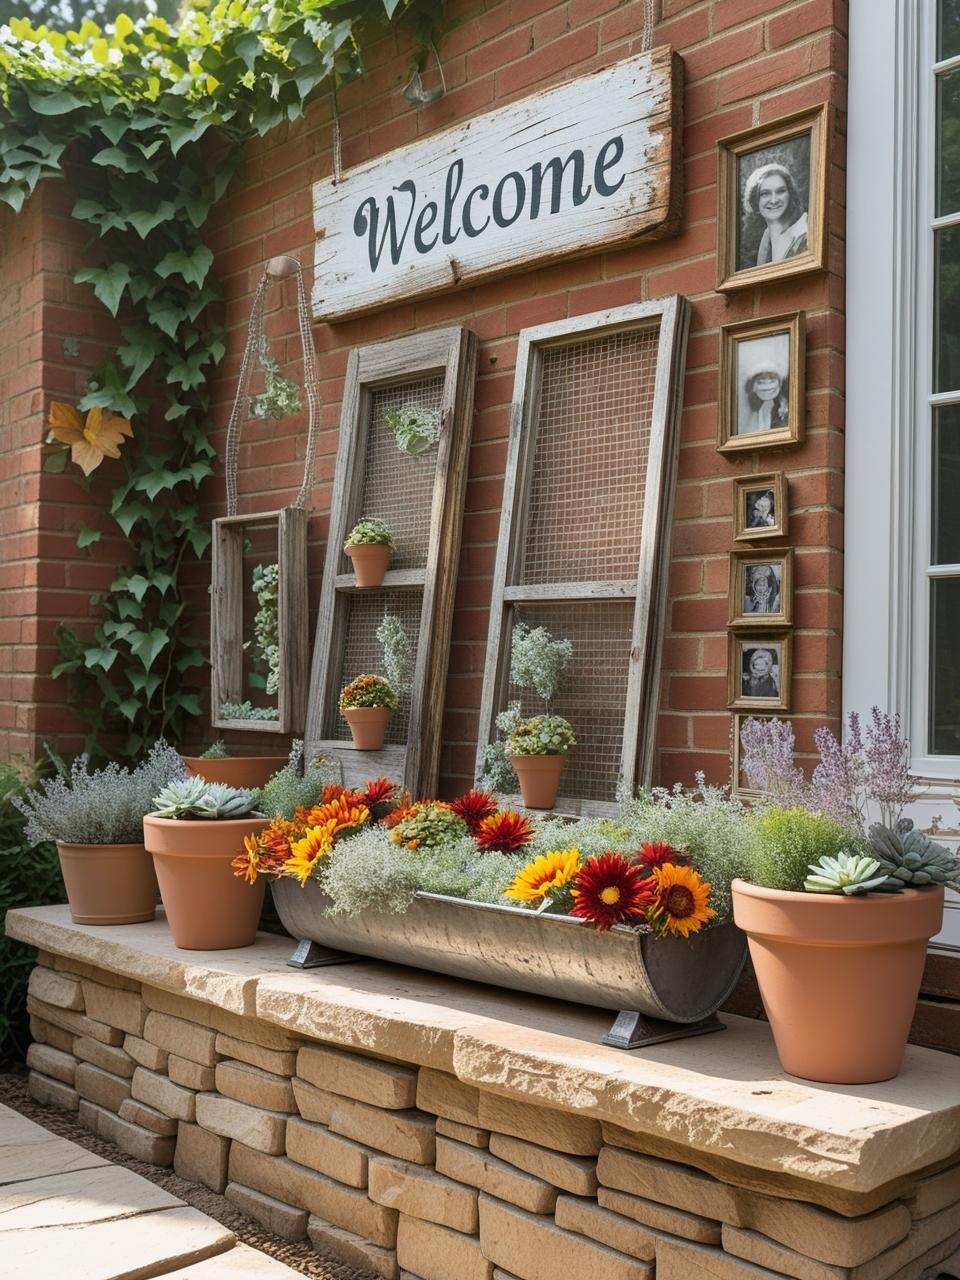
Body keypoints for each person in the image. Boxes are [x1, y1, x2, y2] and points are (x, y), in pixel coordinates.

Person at [743, 162, 808, 266]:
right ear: (756, 201)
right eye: (765, 193)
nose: (774, 200)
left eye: (780, 191)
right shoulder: (766, 238)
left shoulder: (804, 233)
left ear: (790, 195)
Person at [740, 350, 789, 435]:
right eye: (761, 382)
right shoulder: (751, 409)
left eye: (772, 380)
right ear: (753, 387)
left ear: (780, 383)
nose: (767, 386)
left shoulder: (785, 406)